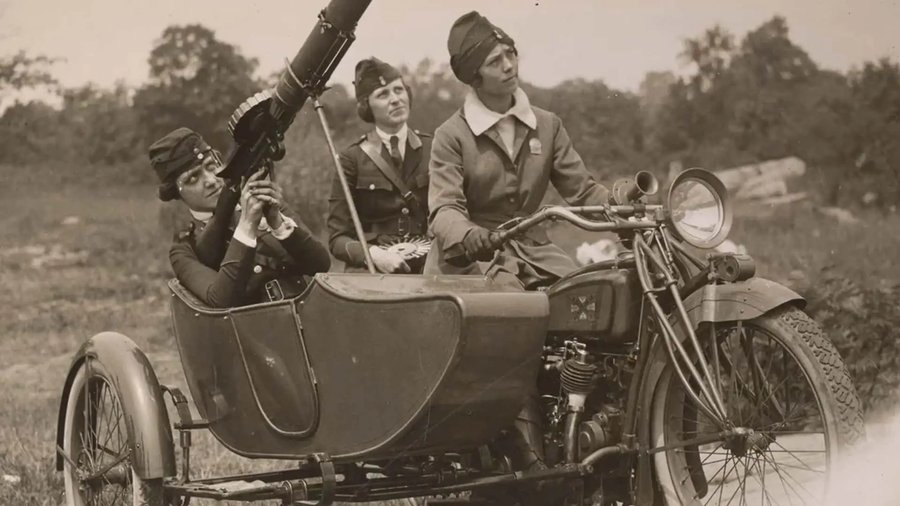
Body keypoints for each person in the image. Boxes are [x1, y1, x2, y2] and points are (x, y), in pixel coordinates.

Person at [426, 11, 610, 290]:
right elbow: (444, 208)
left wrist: (622, 203)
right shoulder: (451, 135)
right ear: (475, 78)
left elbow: (583, 191)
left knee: (586, 294)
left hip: (534, 251)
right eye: (495, 62)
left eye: (511, 54)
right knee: (512, 307)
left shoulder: (547, 125)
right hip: (471, 258)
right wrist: (468, 234)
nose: (509, 66)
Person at [149, 127, 330, 307]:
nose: (211, 180)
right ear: (175, 194)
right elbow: (220, 299)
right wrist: (247, 226)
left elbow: (320, 264)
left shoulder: (262, 202)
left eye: (212, 167)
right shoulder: (184, 249)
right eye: (193, 178)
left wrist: (278, 224)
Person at [326, 57, 432, 274]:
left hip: (428, 267)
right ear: (367, 106)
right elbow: (337, 239)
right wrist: (374, 255)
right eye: (383, 95)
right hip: (374, 271)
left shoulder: (435, 148)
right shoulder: (351, 159)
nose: (395, 99)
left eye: (399, 90)